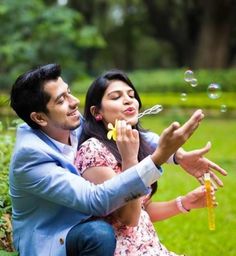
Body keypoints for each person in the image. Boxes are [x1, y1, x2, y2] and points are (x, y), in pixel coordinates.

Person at [9, 64, 226, 256]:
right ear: (39, 117)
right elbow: (96, 201)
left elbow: (135, 134)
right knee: (99, 234)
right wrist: (154, 158)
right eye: (61, 100)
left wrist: (178, 156)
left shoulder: (70, 124)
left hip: (110, 228)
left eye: (69, 93)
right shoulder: (31, 156)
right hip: (58, 237)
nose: (74, 102)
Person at [75, 69, 218, 255]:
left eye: (131, 95)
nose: (128, 100)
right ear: (96, 112)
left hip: (152, 249)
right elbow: (128, 218)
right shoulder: (92, 150)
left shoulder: (135, 143)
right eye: (116, 97)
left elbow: (142, 209)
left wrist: (184, 202)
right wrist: (130, 160)